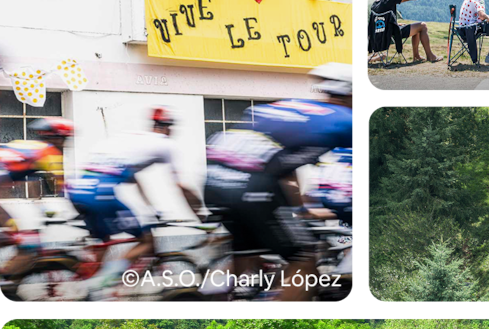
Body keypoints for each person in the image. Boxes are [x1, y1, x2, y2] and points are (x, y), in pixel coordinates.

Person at [204, 61, 353, 304]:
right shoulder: (347, 119)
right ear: (351, 94)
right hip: (251, 186)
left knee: (247, 255)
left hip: (214, 181)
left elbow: (282, 168)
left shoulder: (291, 106)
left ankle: (205, 297)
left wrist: (298, 209)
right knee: (304, 260)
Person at [66, 107, 203, 299]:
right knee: (147, 241)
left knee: (103, 241)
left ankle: (83, 289)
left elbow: (135, 180)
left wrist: (149, 208)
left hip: (77, 190)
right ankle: (102, 285)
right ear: (169, 128)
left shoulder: (130, 139)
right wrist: (200, 213)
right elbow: (181, 185)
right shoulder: (166, 145)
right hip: (100, 193)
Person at [0, 117, 73, 278]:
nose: (65, 144)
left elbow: (31, 184)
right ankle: (5, 281)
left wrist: (41, 208)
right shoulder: (50, 153)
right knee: (26, 242)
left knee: (17, 234)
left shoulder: (26, 146)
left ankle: (6, 280)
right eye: (65, 139)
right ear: (57, 138)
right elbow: (62, 186)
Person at [371, 0, 440, 63]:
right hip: (393, 33)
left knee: (417, 28)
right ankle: (430, 56)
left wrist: (395, 23)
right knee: (422, 26)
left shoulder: (375, 3)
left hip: (382, 34)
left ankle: (417, 56)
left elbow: (382, 19)